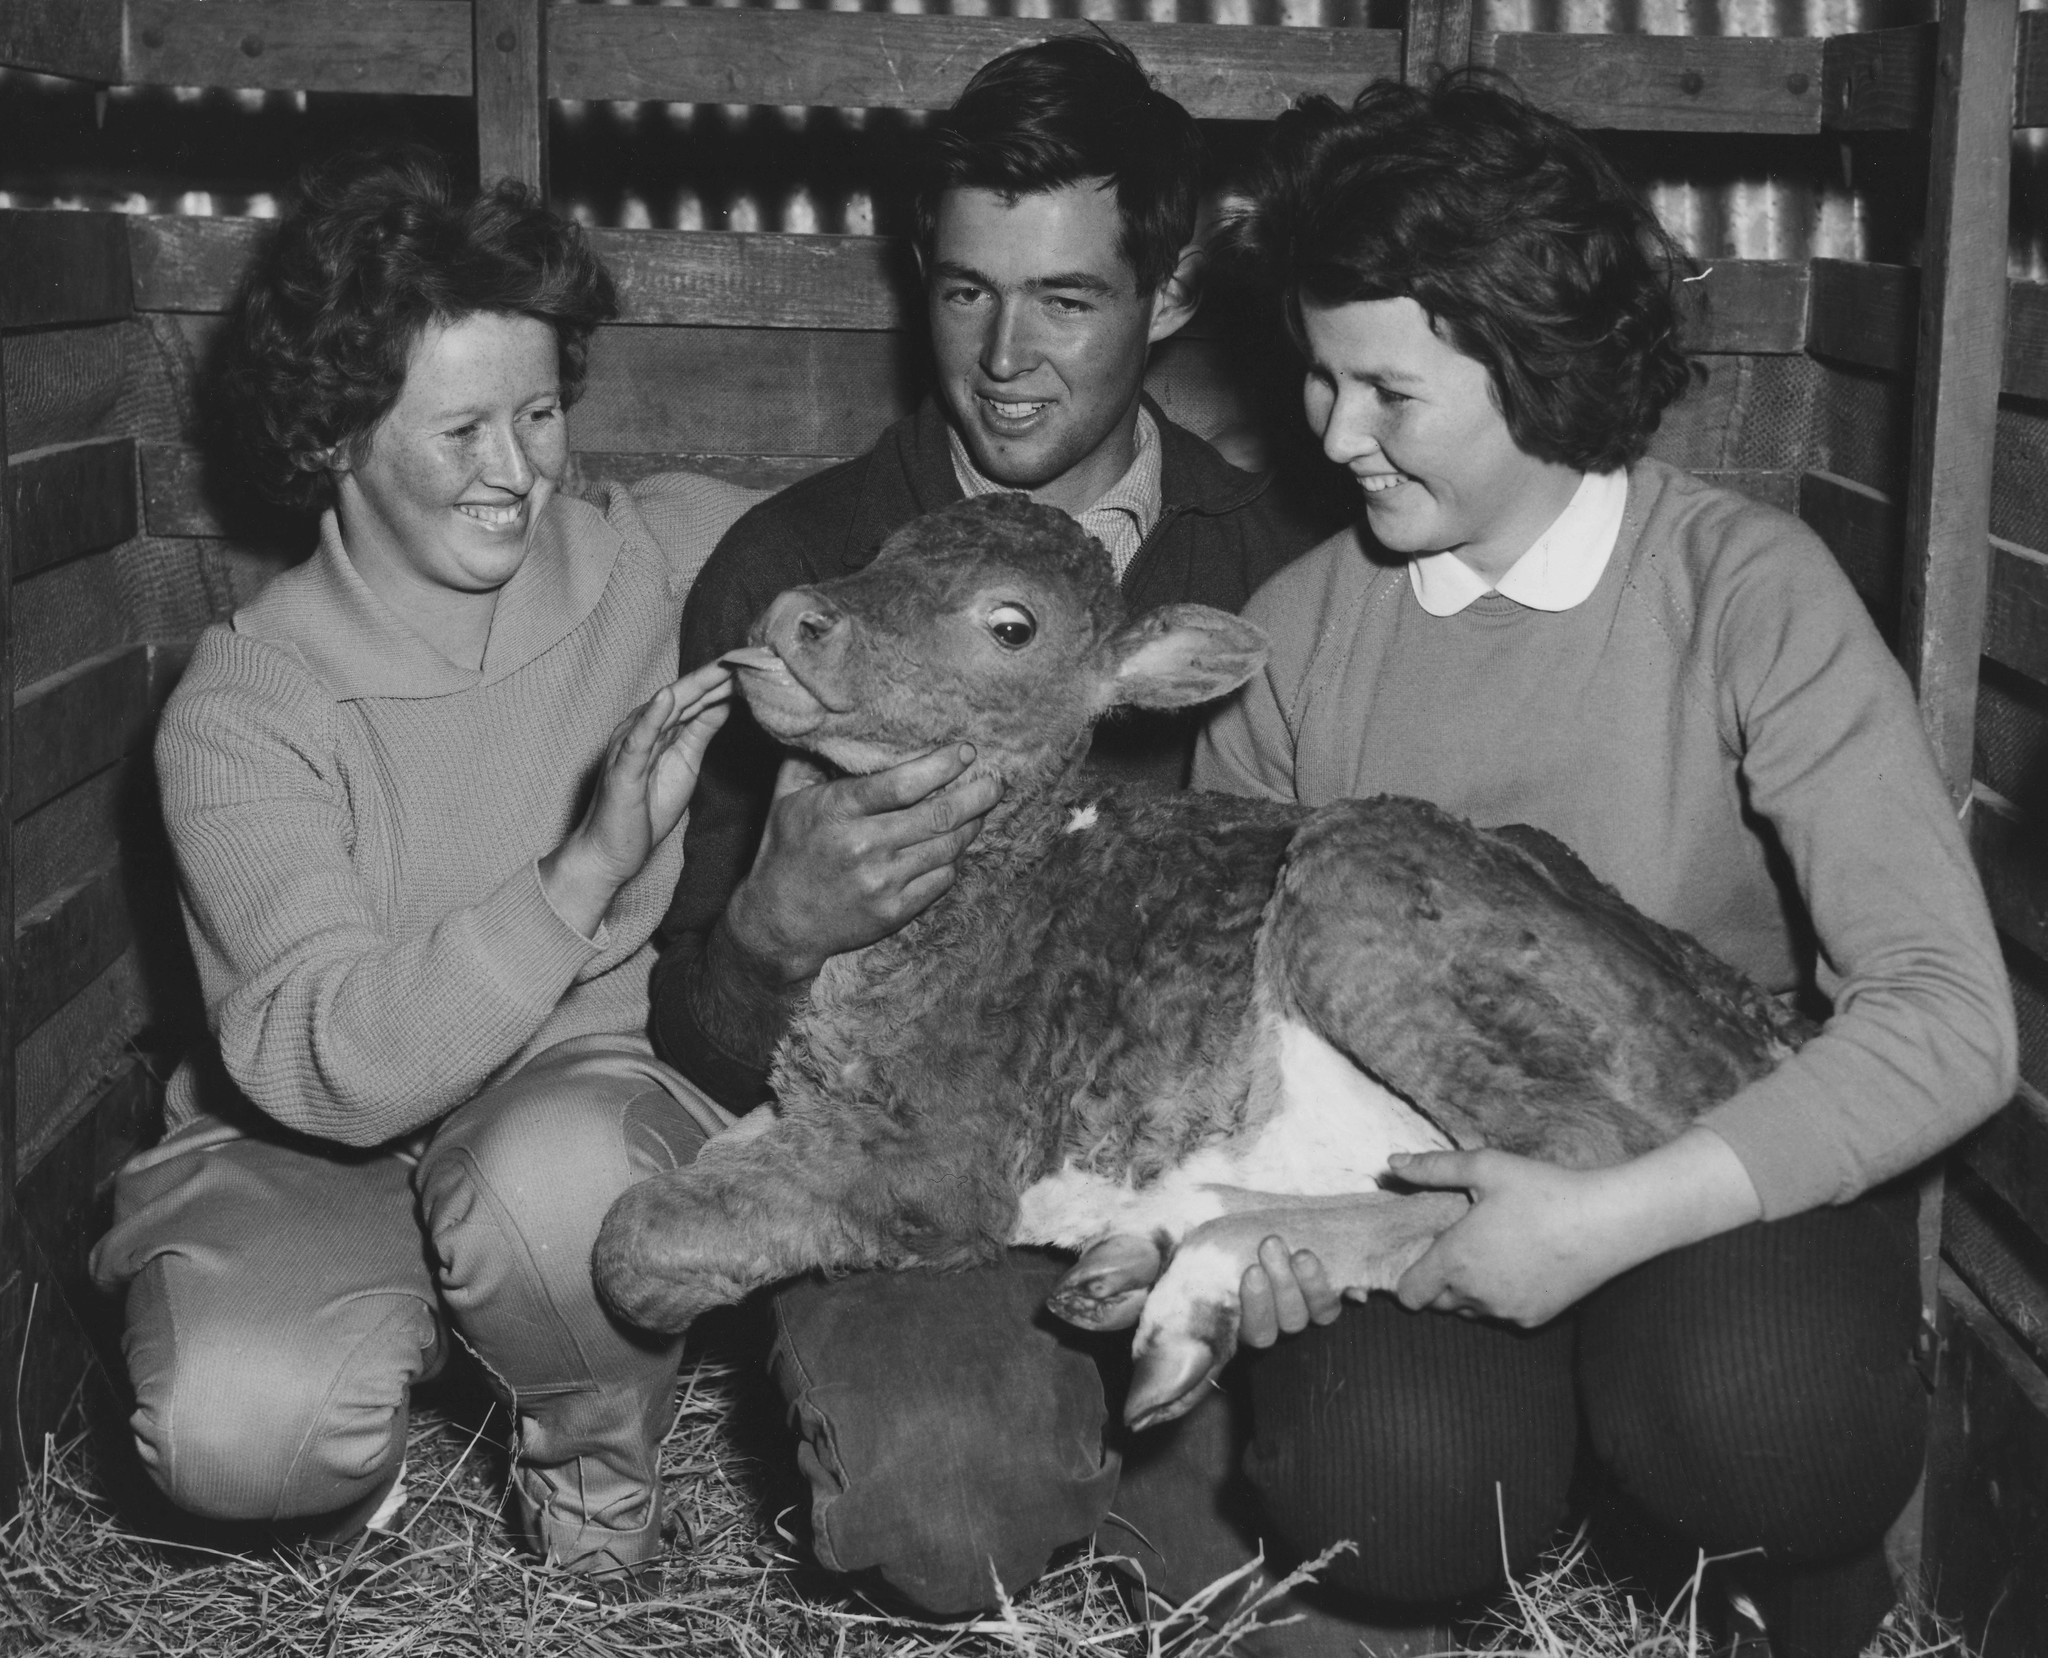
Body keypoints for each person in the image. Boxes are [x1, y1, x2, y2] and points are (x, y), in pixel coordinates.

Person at [1187, 76, 2018, 1658]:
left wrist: (1606, 1221)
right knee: (1384, 1481)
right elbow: (1231, 1032)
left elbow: (1954, 1014)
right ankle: (1517, 1515)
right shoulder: (1293, 641)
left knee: (1767, 1418)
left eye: (1388, 391)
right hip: (1412, 1184)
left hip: (1704, 1153)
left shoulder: (1743, 590)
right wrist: (1262, 1232)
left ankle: (1772, 1573)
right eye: (1314, 375)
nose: (1331, 431)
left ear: (1529, 360)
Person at [646, 32, 1343, 1616]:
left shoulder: (1279, 565)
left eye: (1068, 298)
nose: (1006, 354)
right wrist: (769, 937)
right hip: (920, 1202)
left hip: (1205, 1192)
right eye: (967, 291)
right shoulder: (799, 573)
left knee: (1361, 1554)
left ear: (1167, 298)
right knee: (938, 1488)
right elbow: (685, 1028)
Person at [89, 147, 759, 1579]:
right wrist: (581, 872)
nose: (517, 471)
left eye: (539, 412)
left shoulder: (655, 561)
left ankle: (592, 1481)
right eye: (461, 432)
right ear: (336, 437)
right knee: (233, 1423)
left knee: (557, 1180)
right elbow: (328, 1057)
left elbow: (892, 577)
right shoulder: (245, 705)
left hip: (566, 1111)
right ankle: (375, 1439)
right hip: (316, 1137)